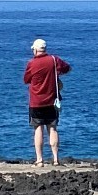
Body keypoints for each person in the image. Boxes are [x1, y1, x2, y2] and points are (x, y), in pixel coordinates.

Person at [23, 38, 71, 166]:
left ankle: (40, 160)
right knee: (53, 129)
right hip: (52, 100)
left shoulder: (31, 64)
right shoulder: (54, 60)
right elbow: (67, 68)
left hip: (36, 101)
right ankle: (55, 159)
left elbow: (26, 79)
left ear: (35, 50)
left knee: (38, 128)